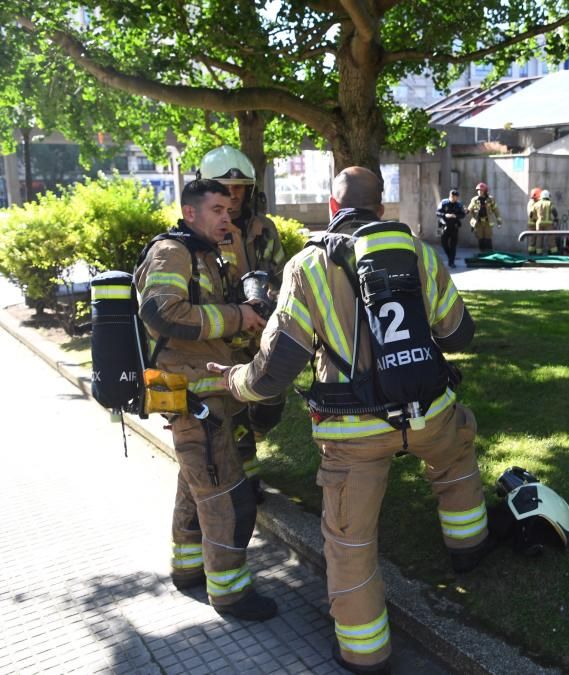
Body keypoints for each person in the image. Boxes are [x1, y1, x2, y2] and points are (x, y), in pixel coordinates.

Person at [212, 167, 493, 674]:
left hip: (353, 434)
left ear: (331, 208)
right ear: (381, 209)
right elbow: (458, 338)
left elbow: (275, 371)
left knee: (350, 541)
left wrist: (233, 381)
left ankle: (365, 653)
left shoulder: (307, 267)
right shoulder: (423, 256)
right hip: (428, 412)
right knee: (457, 459)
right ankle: (469, 548)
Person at [134, 179, 277, 620]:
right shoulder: (172, 252)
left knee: (195, 483)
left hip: (200, 389)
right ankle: (230, 593)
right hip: (190, 393)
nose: (226, 217)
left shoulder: (205, 253)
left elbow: (214, 306)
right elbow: (161, 313)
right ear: (190, 212)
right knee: (226, 497)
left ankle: (189, 569)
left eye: (229, 210)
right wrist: (237, 316)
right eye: (216, 210)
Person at [199, 146, 287, 502]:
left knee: (271, 403)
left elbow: (283, 279)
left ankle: (256, 434)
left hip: (260, 337)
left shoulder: (264, 230)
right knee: (230, 413)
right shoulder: (196, 235)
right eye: (224, 188)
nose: (233, 197)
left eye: (240, 189)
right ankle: (247, 481)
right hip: (219, 341)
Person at [467, 182, 502, 252]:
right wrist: (466, 211)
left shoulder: (490, 199)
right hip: (478, 222)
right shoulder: (474, 200)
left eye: (481, 190)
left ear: (485, 191)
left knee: (488, 239)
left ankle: (489, 254)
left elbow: (496, 210)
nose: (479, 192)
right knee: (480, 239)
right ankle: (482, 253)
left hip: (487, 222)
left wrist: (499, 221)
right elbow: (469, 209)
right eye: (478, 190)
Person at [436, 188, 466, 268]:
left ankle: (451, 262)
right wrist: (445, 215)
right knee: (444, 244)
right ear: (450, 196)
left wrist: (455, 216)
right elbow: (437, 213)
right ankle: (450, 257)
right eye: (453, 197)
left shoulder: (459, 205)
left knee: (453, 245)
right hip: (444, 226)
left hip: (454, 227)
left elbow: (463, 215)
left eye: (456, 197)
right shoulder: (443, 203)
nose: (454, 199)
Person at [529, 189, 559, 255]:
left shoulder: (536, 204)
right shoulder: (549, 203)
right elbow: (554, 211)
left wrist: (534, 219)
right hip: (548, 224)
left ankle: (539, 252)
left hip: (539, 224)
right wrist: (556, 218)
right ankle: (553, 252)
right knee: (551, 237)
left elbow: (531, 214)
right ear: (548, 196)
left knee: (539, 238)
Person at [526, 187, 541, 254]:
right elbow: (531, 214)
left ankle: (532, 252)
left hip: (533, 223)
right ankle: (533, 252)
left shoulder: (531, 202)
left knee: (534, 239)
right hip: (533, 223)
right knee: (534, 239)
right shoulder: (532, 203)